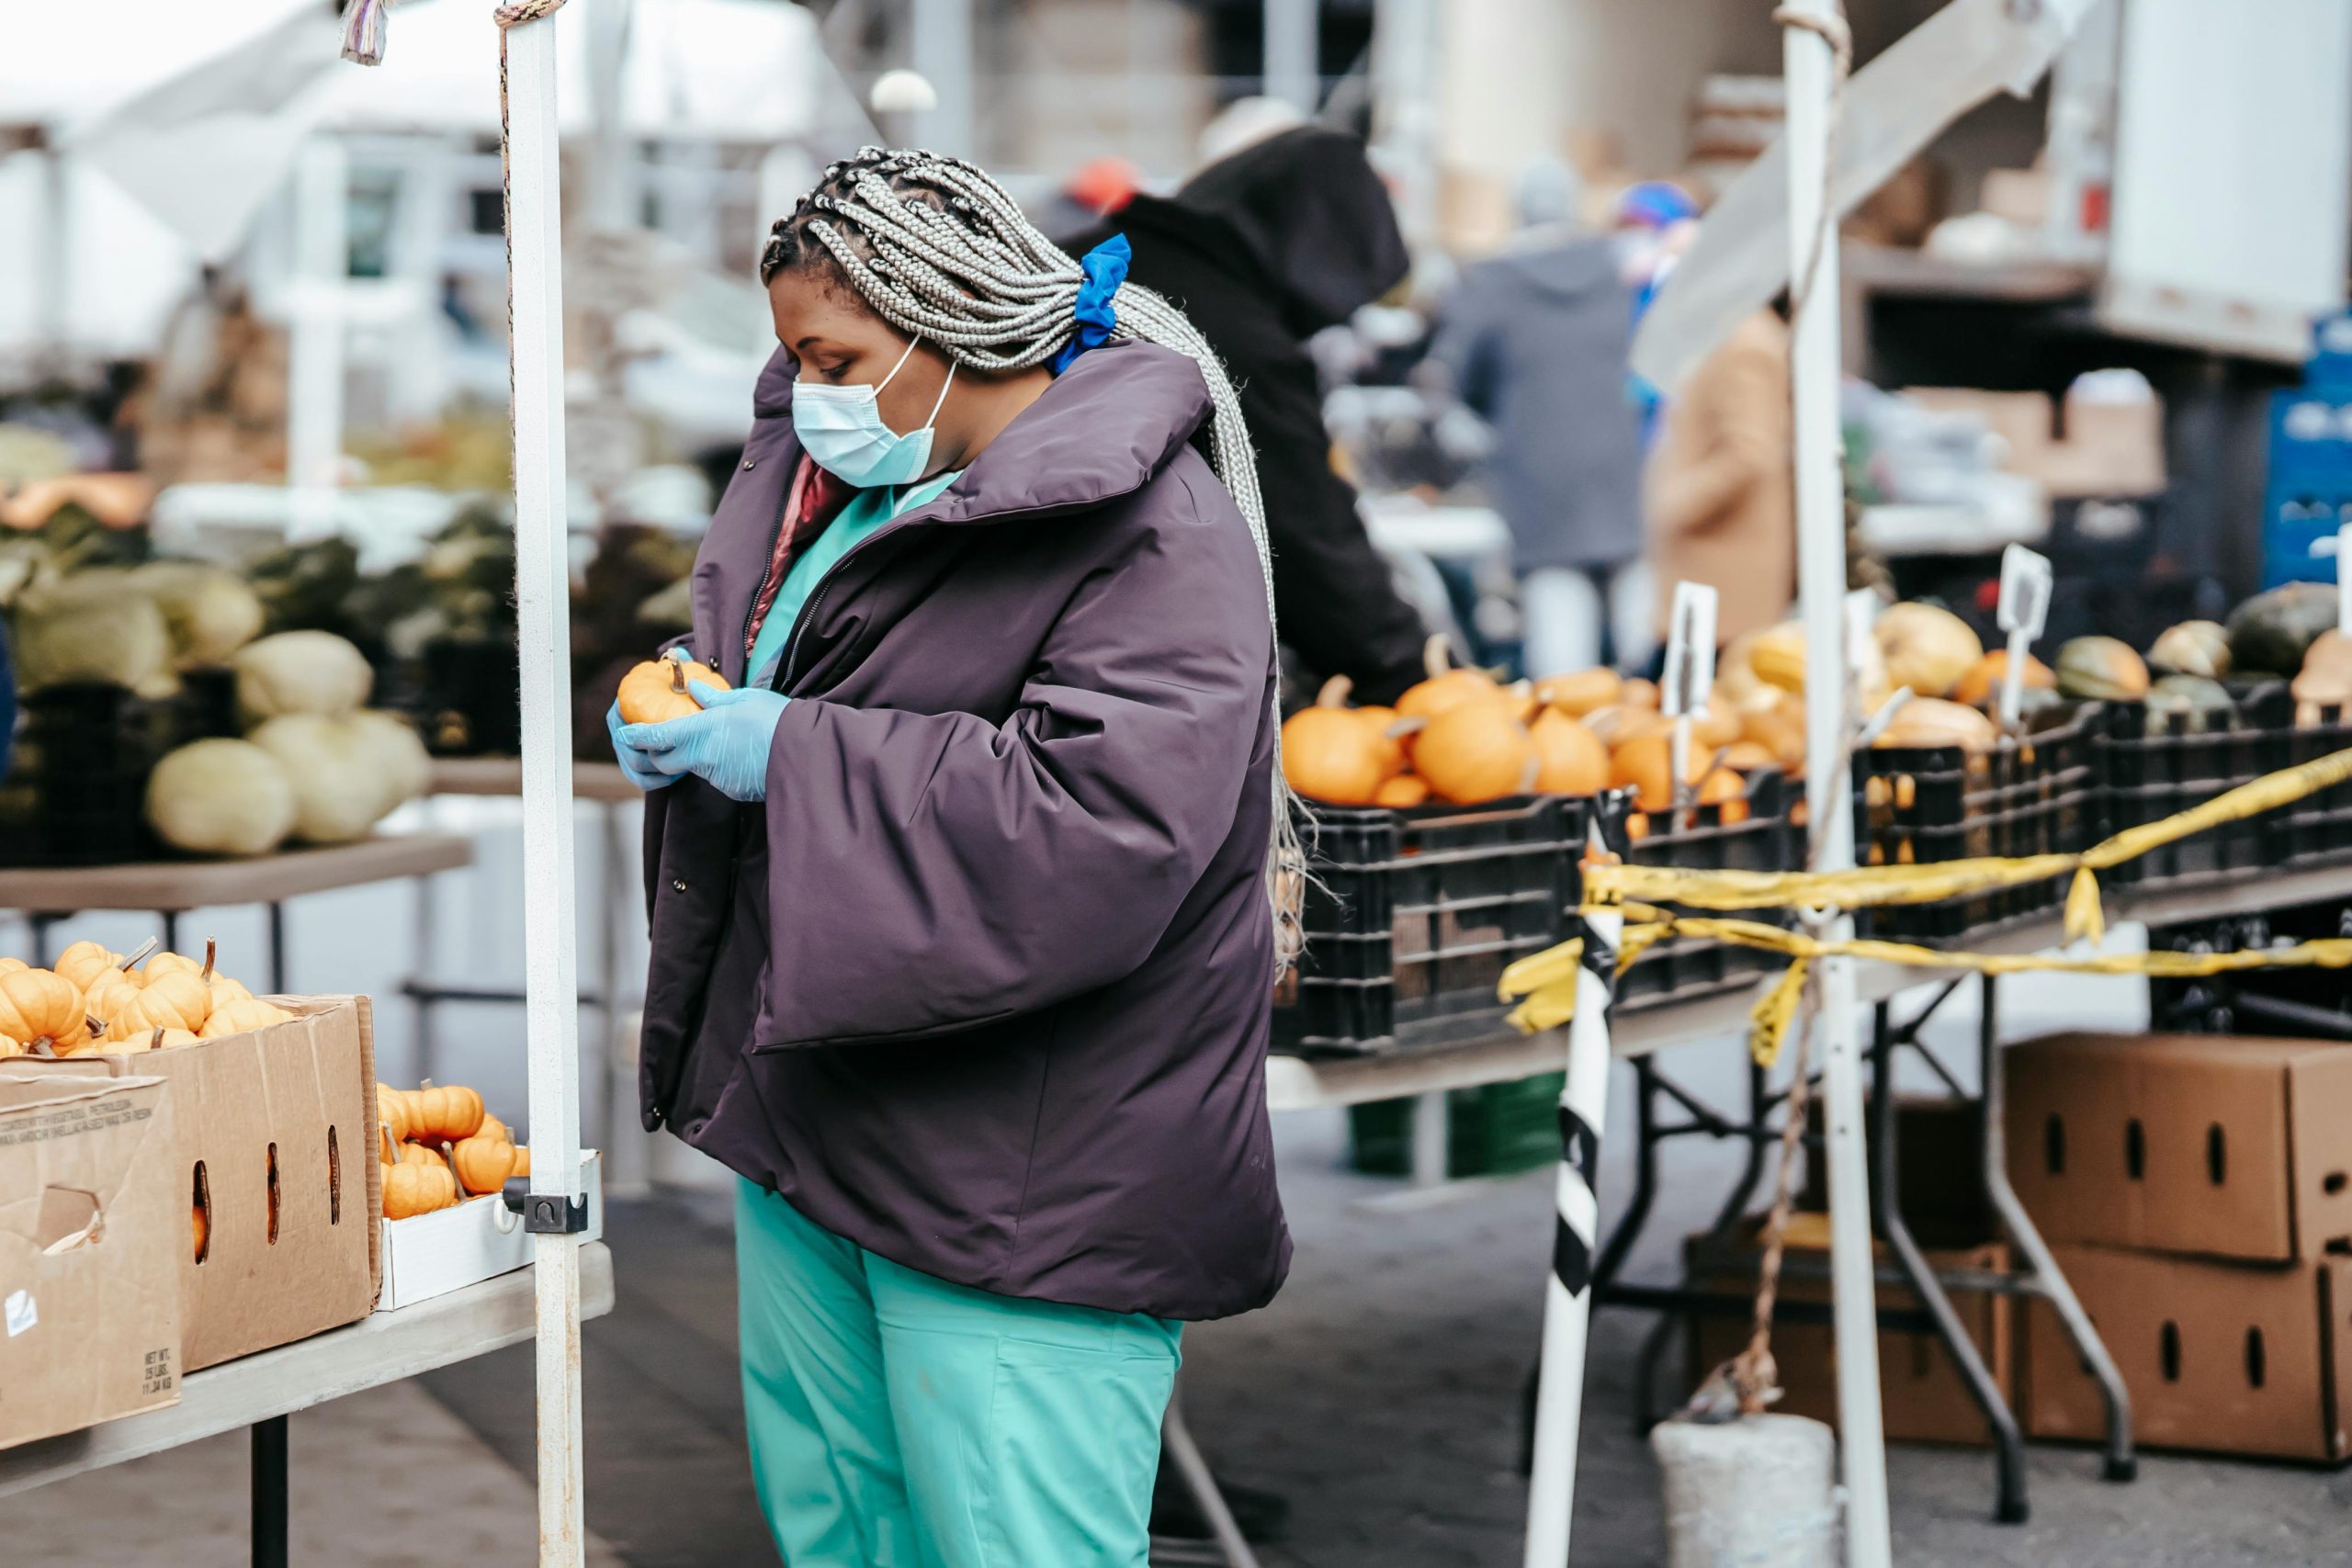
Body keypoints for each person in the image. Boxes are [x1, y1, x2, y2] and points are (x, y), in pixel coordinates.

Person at [607, 146, 1293, 1568]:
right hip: (816, 1113)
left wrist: (782, 748)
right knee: (845, 1529)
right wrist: (707, 698)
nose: (811, 394)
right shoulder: (850, 494)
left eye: (835, 354)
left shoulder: (1161, 536)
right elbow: (853, 684)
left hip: (1024, 1173)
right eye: (795, 359)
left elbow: (1099, 824)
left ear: (948, 320)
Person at [1072, 125, 1430, 705]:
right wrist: (1413, 674)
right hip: (1120, 681)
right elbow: (1304, 537)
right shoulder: (1231, 335)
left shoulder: (1096, 256)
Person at [1427, 157, 1650, 676]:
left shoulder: (1490, 283)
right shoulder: (1620, 271)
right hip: (1628, 469)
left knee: (1561, 656)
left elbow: (1453, 377)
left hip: (1538, 476)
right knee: (1646, 652)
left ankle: (1572, 748)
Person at [1646, 305, 1797, 649]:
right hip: (1705, 561)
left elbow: (1750, 452)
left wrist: (1677, 503)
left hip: (1722, 563)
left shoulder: (1746, 342)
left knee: (1717, 689)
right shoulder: (1727, 333)